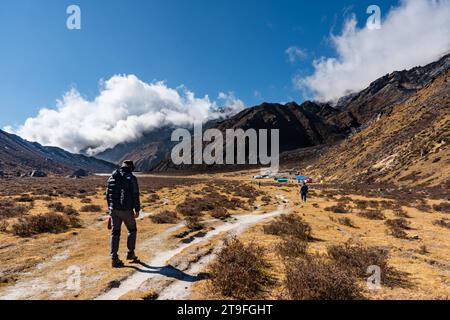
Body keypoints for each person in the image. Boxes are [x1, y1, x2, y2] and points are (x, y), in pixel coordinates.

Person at [106, 160, 141, 268]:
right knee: (132, 230)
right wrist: (137, 209)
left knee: (115, 232)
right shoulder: (131, 178)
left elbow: (107, 195)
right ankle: (131, 253)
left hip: (114, 210)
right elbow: (135, 194)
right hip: (126, 210)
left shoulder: (111, 177)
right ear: (131, 167)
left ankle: (114, 258)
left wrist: (110, 209)